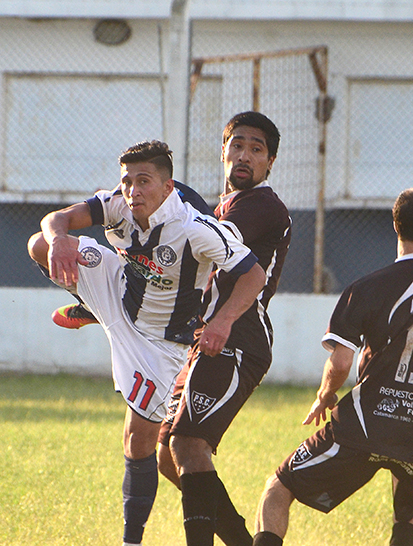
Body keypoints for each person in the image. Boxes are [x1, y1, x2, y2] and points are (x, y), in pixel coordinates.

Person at [27, 140, 266, 546]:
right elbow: (57, 219)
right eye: (127, 181)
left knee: (138, 442)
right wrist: (61, 236)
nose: (133, 191)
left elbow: (254, 275)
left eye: (144, 182)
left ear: (167, 187)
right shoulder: (119, 203)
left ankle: (130, 540)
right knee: (40, 244)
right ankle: (91, 306)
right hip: (118, 292)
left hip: (159, 342)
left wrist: (223, 322)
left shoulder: (195, 229)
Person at [252, 186, 413, 546]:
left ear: (396, 226)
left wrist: (326, 394)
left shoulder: (367, 287)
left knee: (278, 489)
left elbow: (340, 362)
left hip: (366, 426)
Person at [154, 111, 291, 546]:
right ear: (223, 151)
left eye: (256, 149)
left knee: (189, 445)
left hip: (238, 337)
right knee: (168, 457)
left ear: (270, 162)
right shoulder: (222, 206)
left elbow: (209, 246)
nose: (244, 156)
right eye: (237, 145)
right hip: (212, 336)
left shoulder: (262, 206)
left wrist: (223, 320)